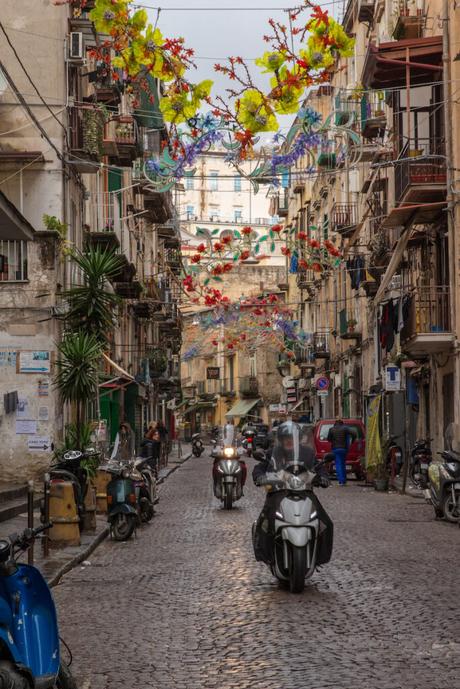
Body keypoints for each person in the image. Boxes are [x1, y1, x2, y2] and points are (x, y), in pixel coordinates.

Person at [252, 421, 333, 565]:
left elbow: (318, 467)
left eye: (292, 437)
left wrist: (324, 477)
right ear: (281, 440)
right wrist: (260, 476)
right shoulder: (273, 453)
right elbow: (260, 467)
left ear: (297, 438)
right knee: (265, 522)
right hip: (278, 492)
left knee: (325, 522)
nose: (289, 440)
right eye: (286, 438)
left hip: (305, 492)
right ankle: (267, 555)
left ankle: (319, 557)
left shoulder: (307, 453)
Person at [327, 418, 356, 486]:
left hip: (336, 449)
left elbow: (328, 439)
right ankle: (344, 480)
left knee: (338, 465)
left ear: (335, 423)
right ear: (342, 423)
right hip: (344, 449)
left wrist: (333, 441)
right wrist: (353, 441)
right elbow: (354, 433)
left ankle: (341, 481)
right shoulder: (345, 428)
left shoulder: (331, 429)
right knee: (343, 464)